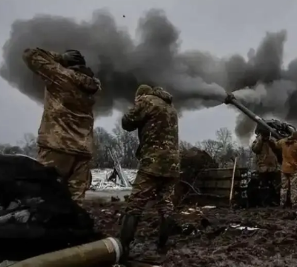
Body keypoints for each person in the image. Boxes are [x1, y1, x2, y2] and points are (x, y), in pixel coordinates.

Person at [22, 48, 101, 205]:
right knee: (76, 205)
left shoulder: (61, 76)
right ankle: (74, 229)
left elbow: (29, 54)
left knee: (45, 199)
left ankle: (48, 229)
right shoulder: (92, 86)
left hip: (57, 146)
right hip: (83, 151)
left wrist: (58, 57)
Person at [118, 84, 179, 255]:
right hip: (173, 162)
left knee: (135, 204)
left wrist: (138, 104)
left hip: (153, 161)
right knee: (166, 204)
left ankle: (123, 246)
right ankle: (162, 244)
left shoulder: (146, 101)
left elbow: (126, 123)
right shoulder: (170, 108)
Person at [251, 129, 279, 203]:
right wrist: (260, 140)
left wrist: (270, 140)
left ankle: (273, 200)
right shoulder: (257, 141)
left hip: (272, 167)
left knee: (274, 185)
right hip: (262, 167)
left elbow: (277, 147)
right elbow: (255, 149)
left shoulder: (272, 140)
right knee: (263, 185)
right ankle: (264, 201)